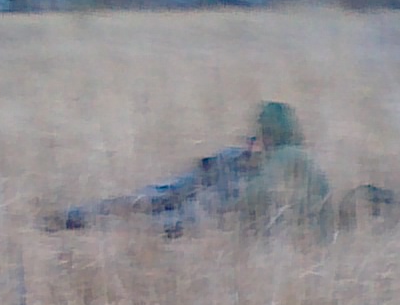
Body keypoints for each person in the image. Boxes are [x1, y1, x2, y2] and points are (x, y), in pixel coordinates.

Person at [52, 101, 349, 237]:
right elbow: (181, 186)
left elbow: (236, 209)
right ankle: (73, 217)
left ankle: (88, 226)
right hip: (212, 182)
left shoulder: (288, 169)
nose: (255, 141)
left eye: (263, 137)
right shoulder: (237, 156)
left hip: (217, 207)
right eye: (255, 135)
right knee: (149, 198)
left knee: (162, 221)